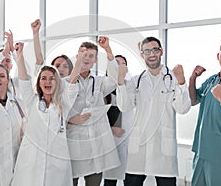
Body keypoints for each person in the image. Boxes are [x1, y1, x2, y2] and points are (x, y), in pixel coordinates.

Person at [116, 36, 191, 186]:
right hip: (139, 147)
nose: (151, 54)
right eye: (147, 51)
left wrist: (182, 82)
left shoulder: (174, 79)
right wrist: (120, 81)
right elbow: (125, 106)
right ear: (142, 54)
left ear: (161, 52)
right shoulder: (136, 81)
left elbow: (183, 109)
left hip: (163, 147)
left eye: (155, 50)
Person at [11, 42, 83, 186]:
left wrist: (80, 58)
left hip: (56, 160)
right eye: (43, 78)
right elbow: (24, 80)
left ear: (57, 82)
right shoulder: (32, 102)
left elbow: (73, 81)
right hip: (31, 159)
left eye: (52, 78)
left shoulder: (64, 104)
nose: (48, 81)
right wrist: (19, 55)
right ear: (39, 82)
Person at [66, 36, 121, 186]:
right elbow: (58, 108)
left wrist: (108, 50)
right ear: (77, 57)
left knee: (94, 182)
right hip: (73, 142)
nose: (87, 58)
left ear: (95, 60)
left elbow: (115, 80)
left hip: (95, 144)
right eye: (84, 55)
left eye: (91, 56)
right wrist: (70, 118)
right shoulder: (64, 82)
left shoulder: (100, 82)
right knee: (71, 181)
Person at [188, 39, 221, 186]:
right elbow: (193, 100)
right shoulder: (212, 80)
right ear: (218, 56)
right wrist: (192, 79)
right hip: (201, 152)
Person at [103, 55, 135, 186]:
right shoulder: (101, 87)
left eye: (123, 64)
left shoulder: (131, 87)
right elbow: (93, 117)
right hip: (109, 142)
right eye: (117, 64)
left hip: (129, 140)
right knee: (110, 180)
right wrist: (110, 129)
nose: (120, 67)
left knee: (131, 177)